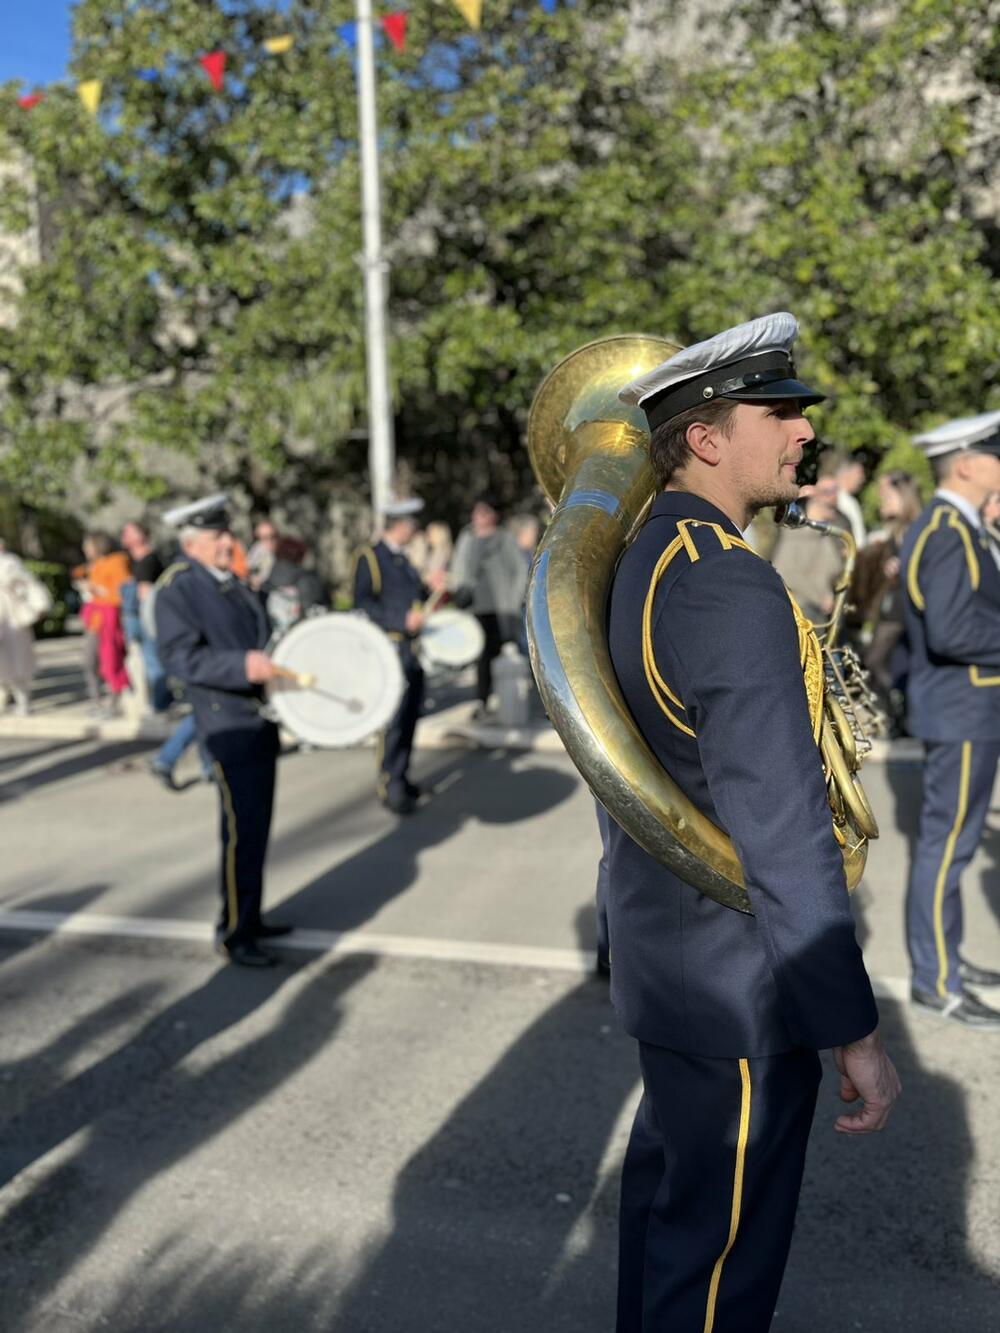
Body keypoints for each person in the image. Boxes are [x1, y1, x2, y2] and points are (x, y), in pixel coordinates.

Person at [608, 313, 899, 1330]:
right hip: (737, 986)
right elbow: (779, 825)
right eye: (777, 412)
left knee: (671, 1242)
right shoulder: (720, 576)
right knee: (714, 1276)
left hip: (677, 966)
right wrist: (850, 1025)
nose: (801, 432)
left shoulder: (652, 554)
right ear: (703, 436)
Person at [154, 494, 290, 967]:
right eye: (218, 537)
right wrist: (241, 664)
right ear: (192, 542)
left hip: (254, 719)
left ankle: (249, 915)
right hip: (226, 723)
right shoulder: (179, 587)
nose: (229, 542)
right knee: (240, 832)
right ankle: (234, 933)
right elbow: (179, 658)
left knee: (256, 830)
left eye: (226, 534)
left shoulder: (228, 581)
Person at [900, 412, 1000, 1028]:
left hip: (969, 709)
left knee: (951, 847)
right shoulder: (946, 532)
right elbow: (953, 629)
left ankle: (947, 962)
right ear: (966, 463)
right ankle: (936, 981)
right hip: (962, 712)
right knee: (946, 851)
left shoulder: (959, 526)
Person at [351, 498, 446, 815]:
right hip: (389, 649)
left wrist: (428, 586)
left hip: (412, 649)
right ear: (400, 525)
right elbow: (362, 604)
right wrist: (400, 619)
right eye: (412, 524)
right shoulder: (370, 557)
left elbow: (413, 597)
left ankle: (402, 777)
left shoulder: (402, 560)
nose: (415, 530)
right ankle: (389, 784)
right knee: (391, 721)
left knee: (409, 717)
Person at [852, 471, 922, 727]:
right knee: (890, 662)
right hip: (893, 604)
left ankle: (895, 713)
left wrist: (901, 566)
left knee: (874, 660)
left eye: (889, 497)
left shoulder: (913, 529)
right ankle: (898, 715)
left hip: (901, 608)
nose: (883, 502)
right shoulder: (897, 529)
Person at [450, 498, 528, 717]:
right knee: (480, 655)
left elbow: (520, 569)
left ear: (494, 515)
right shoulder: (467, 538)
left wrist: (515, 598)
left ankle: (503, 700)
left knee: (501, 653)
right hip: (474, 607)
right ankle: (483, 700)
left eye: (484, 512)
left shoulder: (504, 538)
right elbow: (458, 567)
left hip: (501, 607)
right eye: (477, 512)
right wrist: (457, 589)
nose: (479, 517)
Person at [770, 465, 845, 624]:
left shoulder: (827, 533)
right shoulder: (796, 533)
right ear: (814, 496)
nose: (833, 497)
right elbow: (784, 571)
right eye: (827, 492)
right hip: (800, 613)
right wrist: (821, 597)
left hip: (818, 614)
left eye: (836, 491)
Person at [75, 532, 131, 716]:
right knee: (89, 662)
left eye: (88, 545)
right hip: (95, 620)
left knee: (111, 660)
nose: (85, 549)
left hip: (109, 619)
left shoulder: (117, 562)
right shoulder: (95, 565)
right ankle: (97, 701)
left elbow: (122, 593)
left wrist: (97, 590)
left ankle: (114, 703)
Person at [120, 520, 170, 712]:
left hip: (147, 617)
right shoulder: (135, 560)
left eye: (129, 531)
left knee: (153, 661)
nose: (124, 535)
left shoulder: (149, 560)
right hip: (139, 617)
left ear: (142, 535)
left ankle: (159, 701)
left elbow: (146, 596)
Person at [0, 544, 49, 715]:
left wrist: (39, 605)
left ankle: (22, 701)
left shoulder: (10, 563)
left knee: (17, 661)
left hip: (13, 617)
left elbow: (29, 584)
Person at [833, 449, 867, 546]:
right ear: (846, 472)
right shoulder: (843, 501)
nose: (862, 478)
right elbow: (858, 541)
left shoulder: (847, 500)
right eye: (859, 473)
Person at [246, 517, 280, 591]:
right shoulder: (255, 555)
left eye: (273, 536)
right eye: (265, 537)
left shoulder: (283, 552)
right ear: (258, 539)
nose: (270, 541)